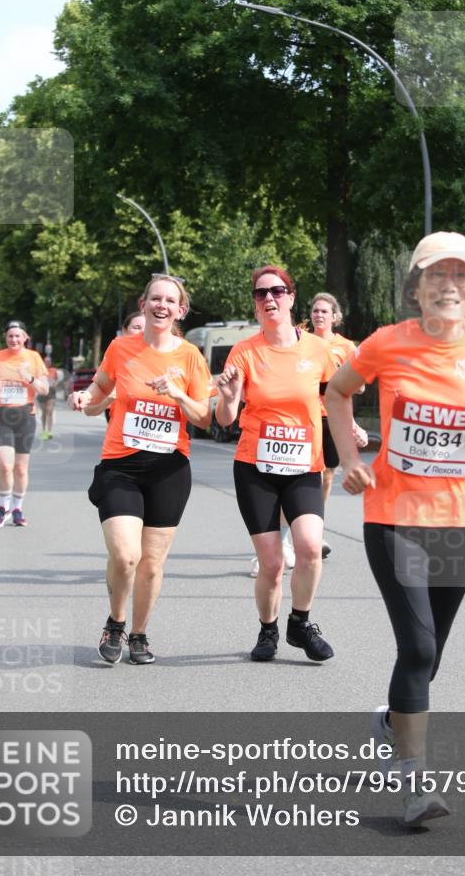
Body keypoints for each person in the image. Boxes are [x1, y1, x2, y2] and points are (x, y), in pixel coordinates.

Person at [325, 231, 465, 827]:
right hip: (392, 517)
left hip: (463, 522)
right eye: (435, 276)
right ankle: (415, 789)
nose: (448, 285)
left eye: (460, 276)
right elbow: (337, 395)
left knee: (430, 655)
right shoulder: (387, 344)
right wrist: (350, 462)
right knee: (415, 648)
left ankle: (390, 722)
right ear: (416, 289)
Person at [68, 276, 214, 666]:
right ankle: (115, 621)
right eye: (156, 299)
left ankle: (139, 634)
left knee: (151, 564)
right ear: (144, 303)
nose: (162, 305)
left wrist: (178, 393)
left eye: (170, 301)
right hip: (121, 466)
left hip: (169, 469)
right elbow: (98, 393)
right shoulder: (121, 348)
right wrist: (85, 398)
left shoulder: (190, 358)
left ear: (180, 310)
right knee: (126, 554)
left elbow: (204, 416)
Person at [214, 265, 337, 663]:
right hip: (255, 467)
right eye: (261, 293)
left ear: (291, 298)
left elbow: (335, 397)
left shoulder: (317, 350)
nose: (270, 298)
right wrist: (230, 395)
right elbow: (225, 419)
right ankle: (268, 630)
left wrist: (349, 431)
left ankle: (300, 623)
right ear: (254, 303)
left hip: (303, 465)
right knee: (270, 563)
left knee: (309, 548)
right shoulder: (245, 351)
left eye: (278, 291)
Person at [308, 292, 369, 558]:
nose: (319, 315)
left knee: (326, 474)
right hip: (305, 415)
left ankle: (315, 528)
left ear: (334, 317)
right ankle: (296, 530)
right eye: (315, 311)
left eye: (324, 311)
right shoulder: (302, 341)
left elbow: (361, 384)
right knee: (304, 472)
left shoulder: (345, 346)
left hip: (332, 416)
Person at [0, 321, 49, 528]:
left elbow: (44, 389)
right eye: (10, 336)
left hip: (25, 417)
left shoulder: (33, 358)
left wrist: (28, 377)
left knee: (21, 469)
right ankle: (4, 507)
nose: (14, 340)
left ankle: (18, 508)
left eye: (18, 336)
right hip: (1, 416)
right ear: (6, 338)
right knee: (4, 465)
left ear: (25, 337)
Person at [82, 312, 146, 421]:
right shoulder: (116, 351)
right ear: (124, 330)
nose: (142, 332)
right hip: (118, 421)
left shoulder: (170, 354)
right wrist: (88, 396)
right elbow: (89, 408)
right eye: (137, 327)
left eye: (147, 328)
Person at [37, 356, 59, 440]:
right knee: (44, 412)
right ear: (44, 362)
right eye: (46, 361)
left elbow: (56, 379)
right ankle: (43, 430)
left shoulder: (54, 370)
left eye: (49, 361)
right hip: (42, 392)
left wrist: (55, 384)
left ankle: (49, 431)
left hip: (51, 392)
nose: (48, 363)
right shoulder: (40, 370)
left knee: (50, 410)